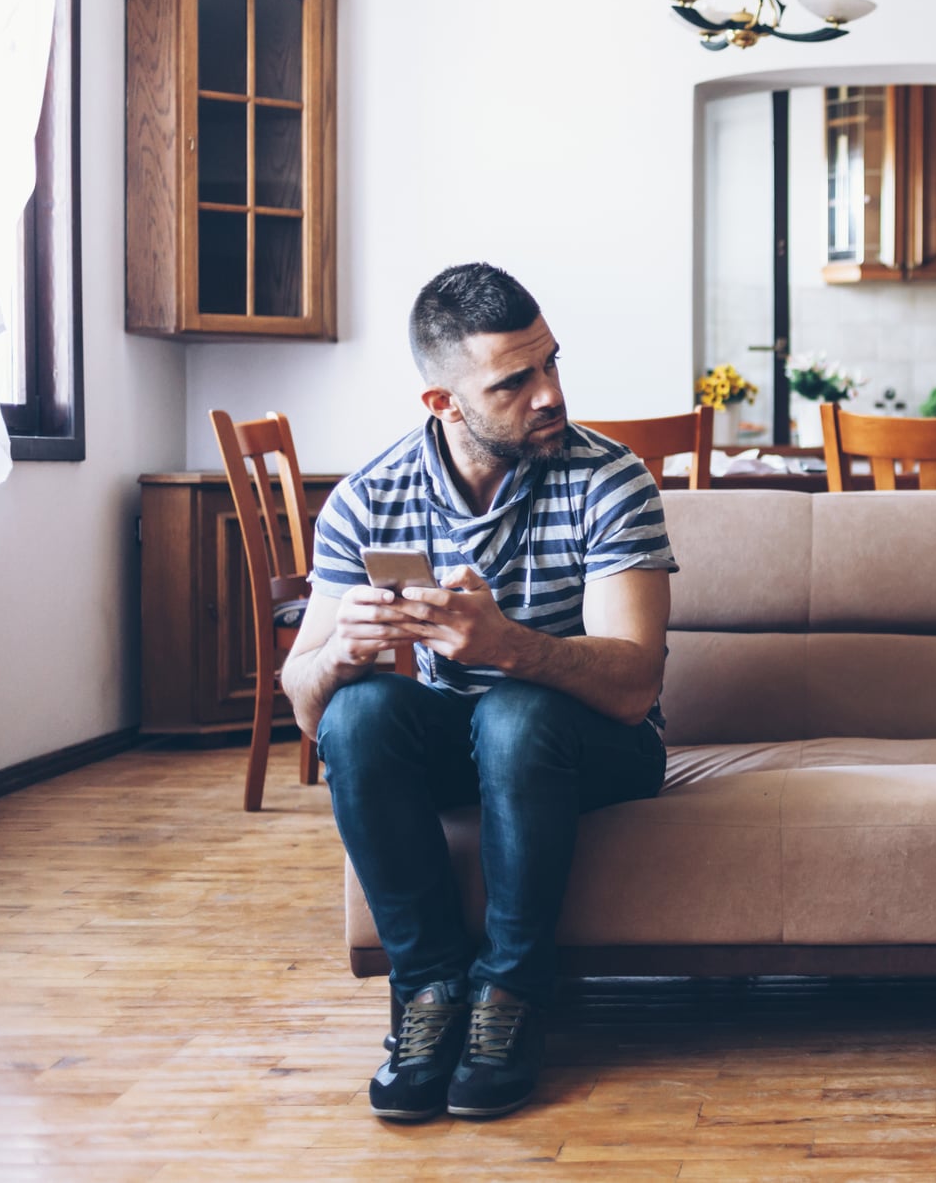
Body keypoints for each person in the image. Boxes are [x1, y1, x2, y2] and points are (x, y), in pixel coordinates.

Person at [281, 264, 674, 1121]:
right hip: (462, 741)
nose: (549, 395)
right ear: (441, 403)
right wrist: (339, 654)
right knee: (361, 710)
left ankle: (511, 996)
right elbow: (308, 711)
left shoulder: (610, 479)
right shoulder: (367, 499)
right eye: (514, 381)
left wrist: (506, 646)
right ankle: (427, 994)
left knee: (514, 710)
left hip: (596, 744)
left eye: (551, 365)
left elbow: (637, 682)